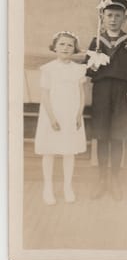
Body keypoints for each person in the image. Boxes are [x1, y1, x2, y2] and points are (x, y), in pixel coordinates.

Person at [86, 0, 127, 201]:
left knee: (117, 135)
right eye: (109, 15)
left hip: (123, 91)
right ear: (102, 17)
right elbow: (88, 71)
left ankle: (115, 179)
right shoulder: (96, 41)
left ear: (124, 18)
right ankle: (102, 179)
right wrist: (95, 63)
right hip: (101, 90)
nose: (113, 19)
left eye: (118, 16)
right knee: (102, 135)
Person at [35, 31, 87, 205]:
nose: (66, 48)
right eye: (62, 44)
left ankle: (67, 187)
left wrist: (79, 114)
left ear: (74, 49)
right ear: (55, 47)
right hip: (52, 113)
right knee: (49, 151)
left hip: (71, 113)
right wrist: (51, 118)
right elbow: (45, 95)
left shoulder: (79, 69)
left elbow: (81, 94)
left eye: (70, 45)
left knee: (68, 151)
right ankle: (47, 188)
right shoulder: (48, 69)